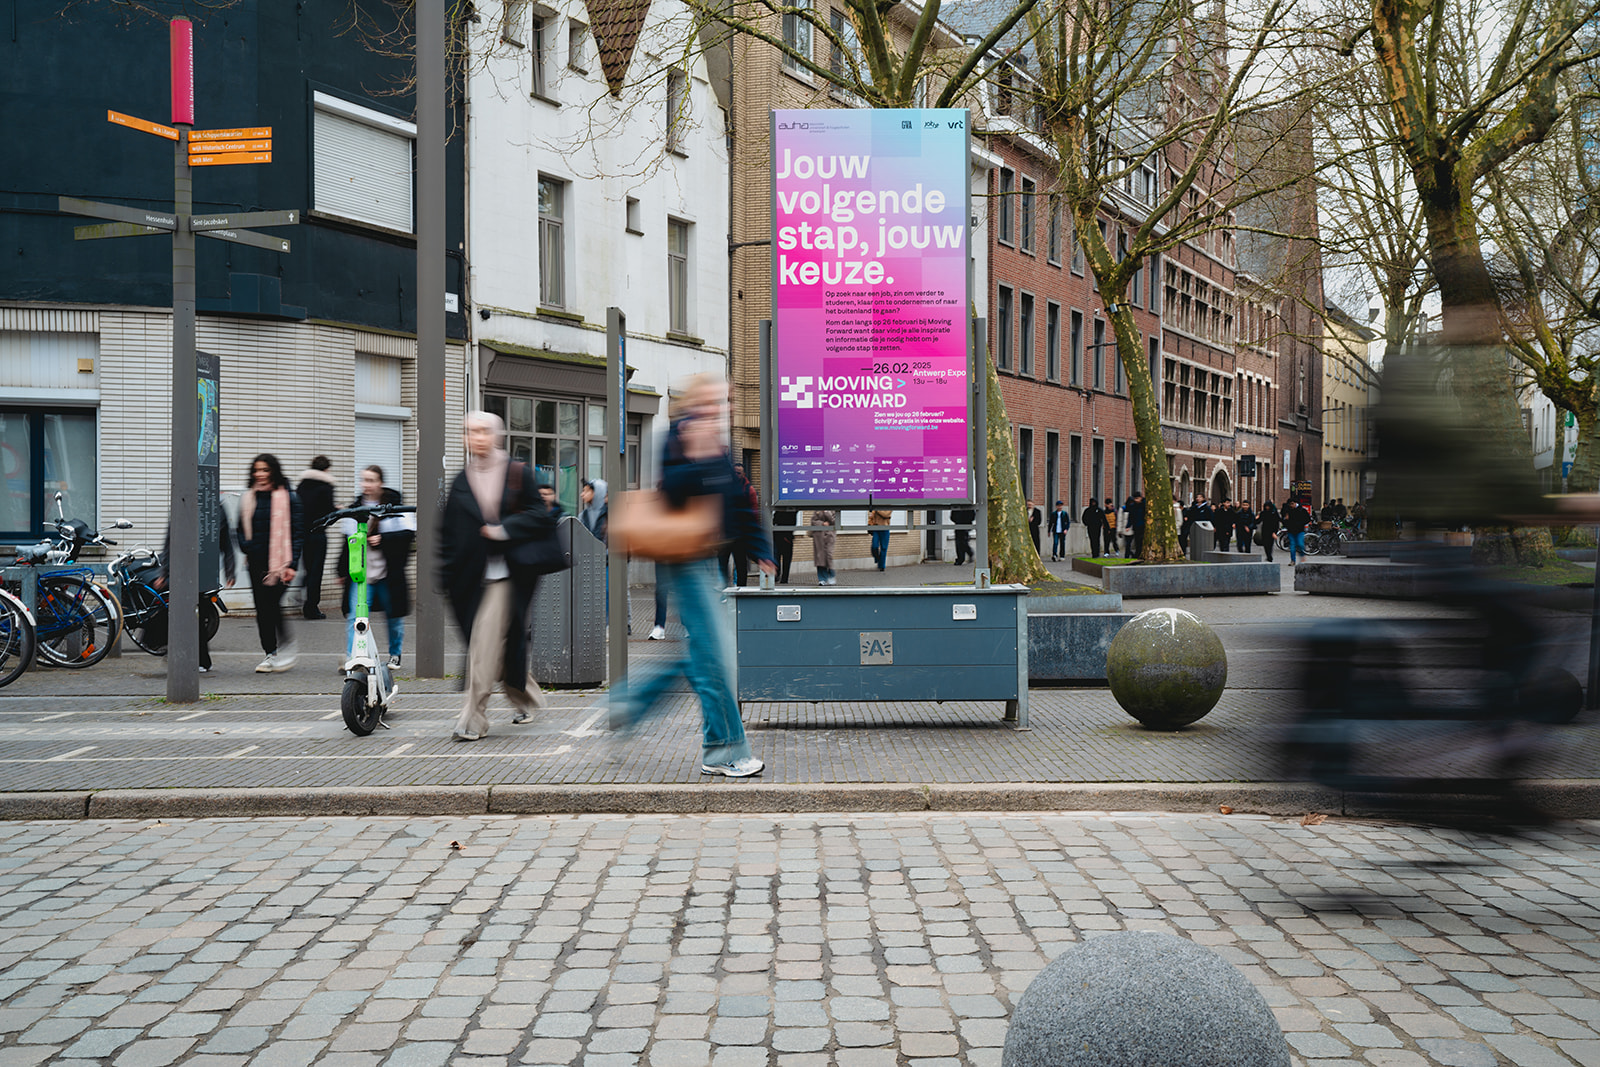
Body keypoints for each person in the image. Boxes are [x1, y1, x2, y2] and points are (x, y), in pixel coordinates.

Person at [611, 374, 774, 777]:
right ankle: (727, 752)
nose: (728, 408)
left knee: (702, 656)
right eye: (722, 400)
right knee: (716, 658)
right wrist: (696, 456)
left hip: (709, 561)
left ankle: (635, 703)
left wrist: (761, 551)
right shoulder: (676, 437)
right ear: (702, 400)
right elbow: (669, 495)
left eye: (729, 402)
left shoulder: (718, 446)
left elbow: (737, 503)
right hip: (683, 560)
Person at [439, 411, 557, 742]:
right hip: (471, 578)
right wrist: (445, 573)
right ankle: (526, 695)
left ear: (496, 435)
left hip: (510, 575)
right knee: (500, 647)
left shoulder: (517, 473)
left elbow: (539, 515)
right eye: (470, 431)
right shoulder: (462, 480)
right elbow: (449, 533)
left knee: (483, 644)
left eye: (482, 431)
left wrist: (503, 530)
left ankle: (472, 718)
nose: (476, 437)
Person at [338, 465, 414, 670]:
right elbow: (346, 543)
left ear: (380, 483)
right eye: (364, 480)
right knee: (355, 616)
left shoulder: (395, 507)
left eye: (371, 480)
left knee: (393, 616)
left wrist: (384, 539)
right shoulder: (355, 509)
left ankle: (395, 654)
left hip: (389, 572)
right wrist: (341, 570)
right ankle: (353, 656)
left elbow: (409, 536)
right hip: (362, 572)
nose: (366, 485)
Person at [237, 454, 303, 673]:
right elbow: (239, 528)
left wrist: (292, 564)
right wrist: (246, 546)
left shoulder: (288, 497)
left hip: (281, 563)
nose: (260, 474)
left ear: (273, 471)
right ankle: (270, 653)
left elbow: (297, 532)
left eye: (265, 470)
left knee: (272, 605)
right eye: (257, 470)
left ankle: (286, 645)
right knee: (262, 609)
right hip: (256, 562)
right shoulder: (248, 498)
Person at [150, 504, 236, 672]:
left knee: (198, 614)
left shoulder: (216, 508)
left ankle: (201, 660)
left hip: (204, 570)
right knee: (181, 613)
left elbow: (226, 542)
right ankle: (190, 656)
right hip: (182, 569)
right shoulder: (183, 505)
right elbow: (170, 541)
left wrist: (230, 570)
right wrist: (164, 571)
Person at [296, 456, 336, 619]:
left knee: (307, 568)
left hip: (303, 534)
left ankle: (303, 592)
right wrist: (336, 509)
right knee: (316, 571)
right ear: (326, 469)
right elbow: (328, 511)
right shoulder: (326, 486)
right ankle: (311, 607)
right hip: (318, 533)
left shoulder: (302, 485)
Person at [719, 463, 756, 586]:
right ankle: (724, 590)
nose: (736, 475)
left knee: (741, 564)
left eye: (739, 473)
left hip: (741, 533)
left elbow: (753, 513)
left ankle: (741, 589)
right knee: (722, 563)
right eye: (734, 472)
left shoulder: (748, 489)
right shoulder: (725, 488)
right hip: (726, 533)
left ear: (743, 474)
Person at [772, 506, 798, 584]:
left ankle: (783, 578)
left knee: (785, 559)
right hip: (778, 536)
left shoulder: (790, 511)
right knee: (777, 557)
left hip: (786, 537)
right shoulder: (779, 510)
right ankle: (777, 575)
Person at [812, 509, 837, 584]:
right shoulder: (817, 510)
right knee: (820, 557)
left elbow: (834, 521)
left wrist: (826, 512)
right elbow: (813, 522)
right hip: (819, 537)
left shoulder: (833, 510)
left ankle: (831, 576)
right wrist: (822, 523)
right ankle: (822, 579)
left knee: (829, 555)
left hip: (829, 535)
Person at [1283, 497, 1311, 564]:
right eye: (1290, 504)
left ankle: (1302, 556)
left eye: (1292, 504)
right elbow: (1284, 520)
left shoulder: (1301, 510)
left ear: (1296, 503)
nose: (1291, 506)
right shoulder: (1288, 511)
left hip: (1300, 530)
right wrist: (1285, 520)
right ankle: (1293, 560)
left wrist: (1301, 523)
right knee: (1292, 546)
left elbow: (1307, 519)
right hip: (1291, 530)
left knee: (1300, 544)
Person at [868, 507, 892, 571]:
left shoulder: (889, 505)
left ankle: (881, 566)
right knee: (874, 545)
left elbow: (885, 514)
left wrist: (877, 509)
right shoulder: (876, 504)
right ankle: (878, 559)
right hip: (876, 528)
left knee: (884, 548)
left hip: (885, 528)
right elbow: (871, 514)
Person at [1126, 491, 1146, 557]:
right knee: (1137, 541)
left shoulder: (1144, 505)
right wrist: (1128, 525)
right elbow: (1131, 517)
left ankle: (1139, 553)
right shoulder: (1133, 506)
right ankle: (1137, 554)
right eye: (1135, 499)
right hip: (1136, 526)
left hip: (1143, 526)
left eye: (1137, 498)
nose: (1136, 500)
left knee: (1141, 541)